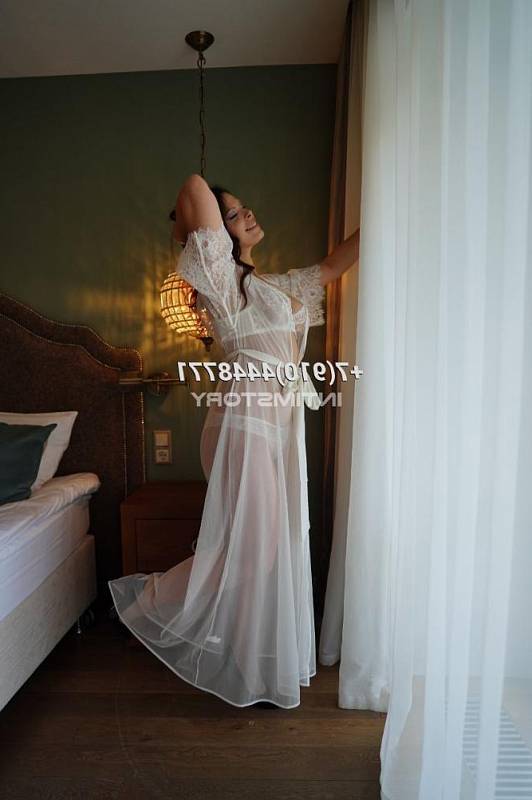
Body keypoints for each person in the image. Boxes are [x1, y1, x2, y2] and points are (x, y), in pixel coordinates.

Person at [108, 174, 359, 709]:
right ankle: (151, 603)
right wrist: (201, 226)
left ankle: (246, 654)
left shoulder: (276, 286)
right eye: (233, 213)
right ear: (215, 236)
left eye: (245, 208)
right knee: (253, 550)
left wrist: (387, 212)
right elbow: (193, 186)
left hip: (277, 423)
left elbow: (333, 266)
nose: (247, 215)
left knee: (263, 546)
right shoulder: (218, 278)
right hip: (244, 417)